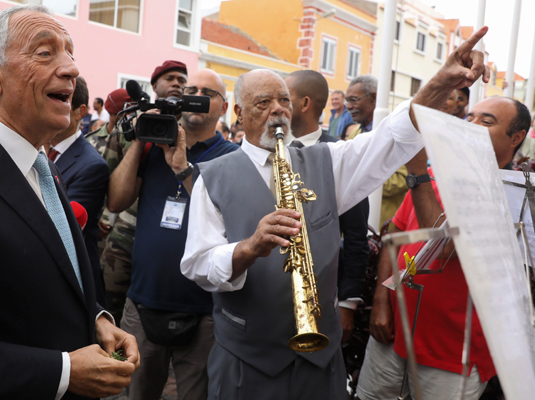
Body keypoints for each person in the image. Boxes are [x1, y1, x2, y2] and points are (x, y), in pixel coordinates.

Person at [180, 26, 489, 399]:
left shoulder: (327, 160)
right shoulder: (212, 177)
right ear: (239, 113)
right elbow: (197, 263)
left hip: (319, 363)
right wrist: (248, 248)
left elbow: (390, 138)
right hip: (248, 361)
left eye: (283, 101)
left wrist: (439, 83)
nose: (277, 109)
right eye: (263, 103)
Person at [0, 5, 139, 399]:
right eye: (45, 53)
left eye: (70, 53)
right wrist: (61, 372)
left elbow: (39, 273)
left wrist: (95, 318)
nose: (71, 69)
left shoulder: (38, 161)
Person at [357, 96, 529, 400]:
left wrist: (417, 171)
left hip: (452, 354)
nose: (471, 126)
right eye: (470, 118)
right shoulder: (432, 178)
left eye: (486, 121)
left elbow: (443, 246)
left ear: (516, 138)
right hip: (393, 333)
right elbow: (395, 235)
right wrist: (383, 300)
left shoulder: (510, 197)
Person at [108, 68, 239, 400]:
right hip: (143, 300)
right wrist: (140, 140)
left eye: (207, 93)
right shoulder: (154, 148)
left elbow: (228, 215)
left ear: (224, 108)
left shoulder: (232, 158)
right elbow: (117, 200)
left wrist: (182, 168)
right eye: (190, 90)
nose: (195, 97)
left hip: (204, 308)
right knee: (135, 392)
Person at [99, 60, 188, 324]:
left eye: (183, 81)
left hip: (167, 244)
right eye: (170, 78)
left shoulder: (191, 129)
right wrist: (140, 137)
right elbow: (111, 195)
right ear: (154, 85)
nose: (177, 84)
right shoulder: (128, 126)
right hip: (125, 238)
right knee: (108, 317)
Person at [285, 70, 369, 344]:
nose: (276, 105)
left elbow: (356, 237)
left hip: (323, 298)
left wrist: (347, 304)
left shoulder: (340, 155)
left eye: (283, 97)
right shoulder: (268, 149)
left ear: (305, 104)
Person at [49, 76, 110, 306]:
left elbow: (62, 228)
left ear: (80, 111)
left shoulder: (91, 165)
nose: (51, 106)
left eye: (62, 99)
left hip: (76, 287)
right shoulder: (38, 148)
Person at [346, 75, 410, 228]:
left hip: (383, 227)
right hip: (357, 226)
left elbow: (401, 180)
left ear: (374, 98)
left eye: (354, 100)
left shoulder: (398, 132)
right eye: (347, 100)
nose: (348, 106)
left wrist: (357, 178)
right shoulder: (355, 133)